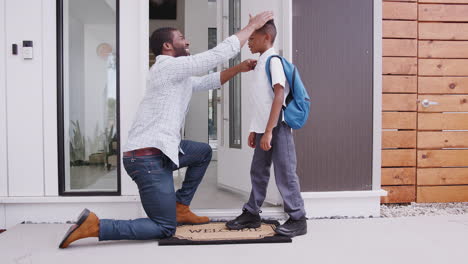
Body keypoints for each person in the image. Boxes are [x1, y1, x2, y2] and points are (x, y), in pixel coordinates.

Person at [59, 11, 274, 249]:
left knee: (202, 152)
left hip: (161, 150)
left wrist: (239, 68)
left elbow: (207, 81)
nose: (188, 41)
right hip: (147, 159)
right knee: (164, 227)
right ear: (168, 45)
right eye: (182, 38)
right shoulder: (167, 67)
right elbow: (215, 56)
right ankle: (96, 226)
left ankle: (180, 207)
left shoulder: (177, 76)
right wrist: (252, 26)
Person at [225, 20, 307, 237]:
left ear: (266, 38)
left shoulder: (273, 62)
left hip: (278, 127)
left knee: (285, 172)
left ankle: (298, 218)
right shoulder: (261, 63)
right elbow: (261, 101)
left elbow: (279, 96)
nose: (249, 42)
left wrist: (269, 130)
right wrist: (256, 129)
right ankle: (252, 213)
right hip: (265, 128)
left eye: (252, 38)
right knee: (258, 171)